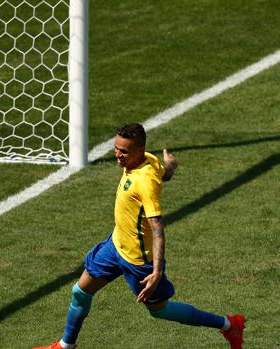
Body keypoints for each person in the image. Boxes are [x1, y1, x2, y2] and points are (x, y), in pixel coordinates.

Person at [33, 123, 245, 349]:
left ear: (139, 149)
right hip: (115, 246)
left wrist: (156, 272)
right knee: (80, 291)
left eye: (124, 151)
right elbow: (163, 174)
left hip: (138, 260)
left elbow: (158, 228)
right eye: (116, 148)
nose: (118, 155)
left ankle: (229, 325)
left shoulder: (144, 181)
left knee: (160, 311)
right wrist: (170, 167)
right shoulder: (149, 160)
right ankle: (66, 346)